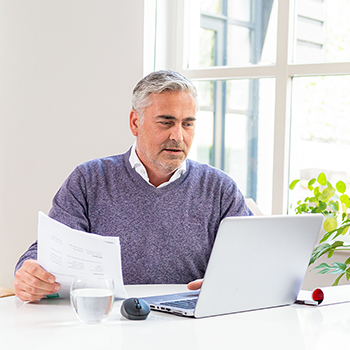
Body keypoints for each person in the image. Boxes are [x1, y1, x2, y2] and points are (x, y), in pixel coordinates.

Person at [14, 70, 253, 302]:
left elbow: (253, 258)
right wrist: (29, 273)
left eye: (187, 124)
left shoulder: (219, 189)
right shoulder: (89, 180)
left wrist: (233, 282)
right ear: (135, 122)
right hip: (108, 323)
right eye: (166, 122)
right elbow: (48, 252)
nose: (178, 136)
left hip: (191, 324)